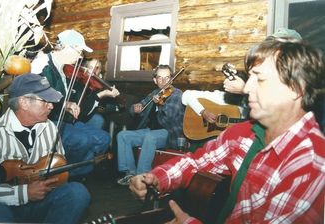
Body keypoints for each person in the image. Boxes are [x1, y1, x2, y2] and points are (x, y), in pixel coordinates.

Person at [129, 39, 325, 223]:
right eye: (249, 78)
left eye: (260, 79)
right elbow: (196, 162)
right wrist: (157, 178)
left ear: (297, 88)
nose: (247, 88)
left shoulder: (313, 161)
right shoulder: (244, 133)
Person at [0, 73, 91, 223]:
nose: (51, 105)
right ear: (24, 102)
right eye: (45, 101)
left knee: (78, 193)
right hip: (5, 205)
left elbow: (59, 168)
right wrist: (23, 193)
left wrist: (55, 180)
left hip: (39, 201)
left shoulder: (50, 128)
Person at [31, 29, 115, 178]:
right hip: (48, 122)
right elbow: (37, 93)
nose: (81, 56)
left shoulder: (62, 68)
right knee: (83, 140)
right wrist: (65, 103)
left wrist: (70, 103)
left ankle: (74, 170)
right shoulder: (43, 64)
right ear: (68, 47)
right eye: (79, 51)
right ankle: (65, 174)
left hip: (64, 119)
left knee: (103, 138)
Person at [116, 64, 185, 185]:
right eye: (160, 78)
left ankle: (141, 176)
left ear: (171, 79)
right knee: (123, 135)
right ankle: (129, 173)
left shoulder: (177, 94)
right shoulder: (155, 93)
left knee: (150, 137)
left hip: (169, 133)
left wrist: (161, 104)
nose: (163, 81)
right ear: (155, 80)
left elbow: (171, 117)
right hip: (150, 130)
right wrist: (135, 108)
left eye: (167, 78)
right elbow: (139, 106)